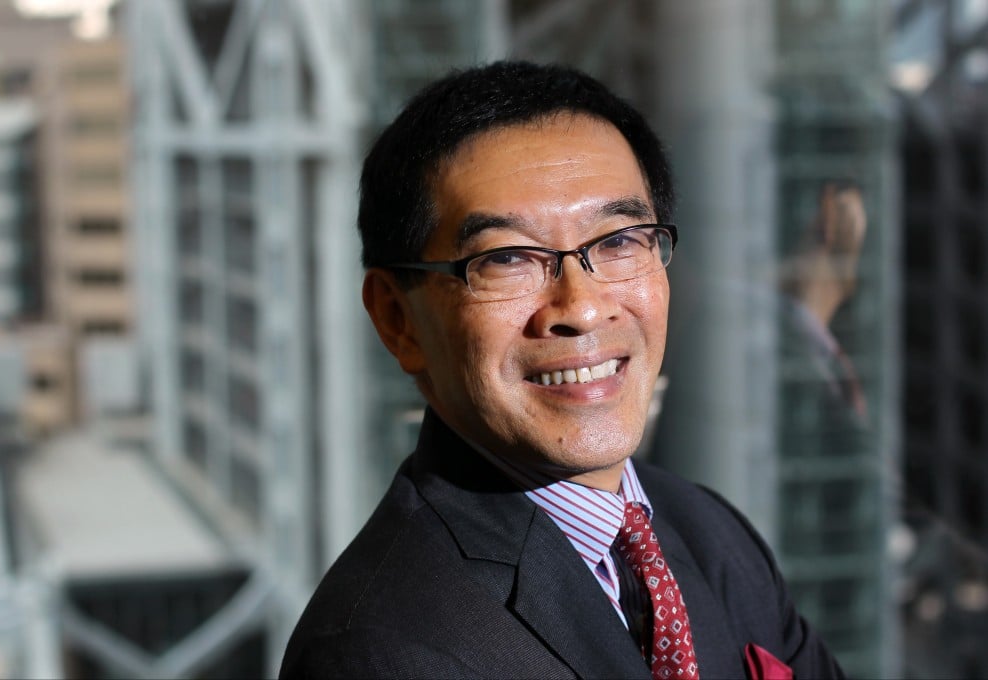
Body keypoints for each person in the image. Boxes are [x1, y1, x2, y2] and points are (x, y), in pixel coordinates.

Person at [280, 61, 844, 679]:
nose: (580, 306)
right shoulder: (379, 651)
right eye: (508, 258)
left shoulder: (712, 533)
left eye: (620, 241)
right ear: (398, 320)